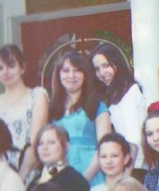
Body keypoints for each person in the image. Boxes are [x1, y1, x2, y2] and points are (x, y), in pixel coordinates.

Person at [47, 49, 111, 182]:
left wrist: (83, 181)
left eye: (77, 70)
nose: (71, 75)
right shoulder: (51, 109)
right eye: (66, 70)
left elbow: (104, 147)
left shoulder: (98, 106)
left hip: (93, 176)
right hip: (60, 177)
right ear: (58, 75)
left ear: (85, 75)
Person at [0, 45, 48, 180]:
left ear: (22, 68)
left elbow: (35, 144)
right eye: (0, 68)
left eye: (11, 66)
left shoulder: (37, 96)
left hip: (29, 170)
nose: (5, 72)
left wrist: (19, 180)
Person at [91, 42, 145, 170]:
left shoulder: (130, 91)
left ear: (117, 64)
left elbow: (133, 138)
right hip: (119, 163)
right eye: (97, 69)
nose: (102, 73)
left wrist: (126, 173)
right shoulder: (108, 94)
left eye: (106, 66)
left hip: (134, 165)